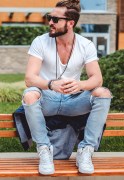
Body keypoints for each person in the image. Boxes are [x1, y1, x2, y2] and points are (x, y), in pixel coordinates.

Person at [22, 0, 112, 175]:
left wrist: (80, 85)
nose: (50, 22)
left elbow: (97, 78)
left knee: (104, 93)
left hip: (74, 100)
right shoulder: (40, 42)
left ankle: (86, 150)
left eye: (55, 19)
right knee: (30, 95)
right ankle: (44, 150)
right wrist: (50, 84)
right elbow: (29, 78)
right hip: (47, 98)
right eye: (49, 17)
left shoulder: (86, 45)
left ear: (70, 23)